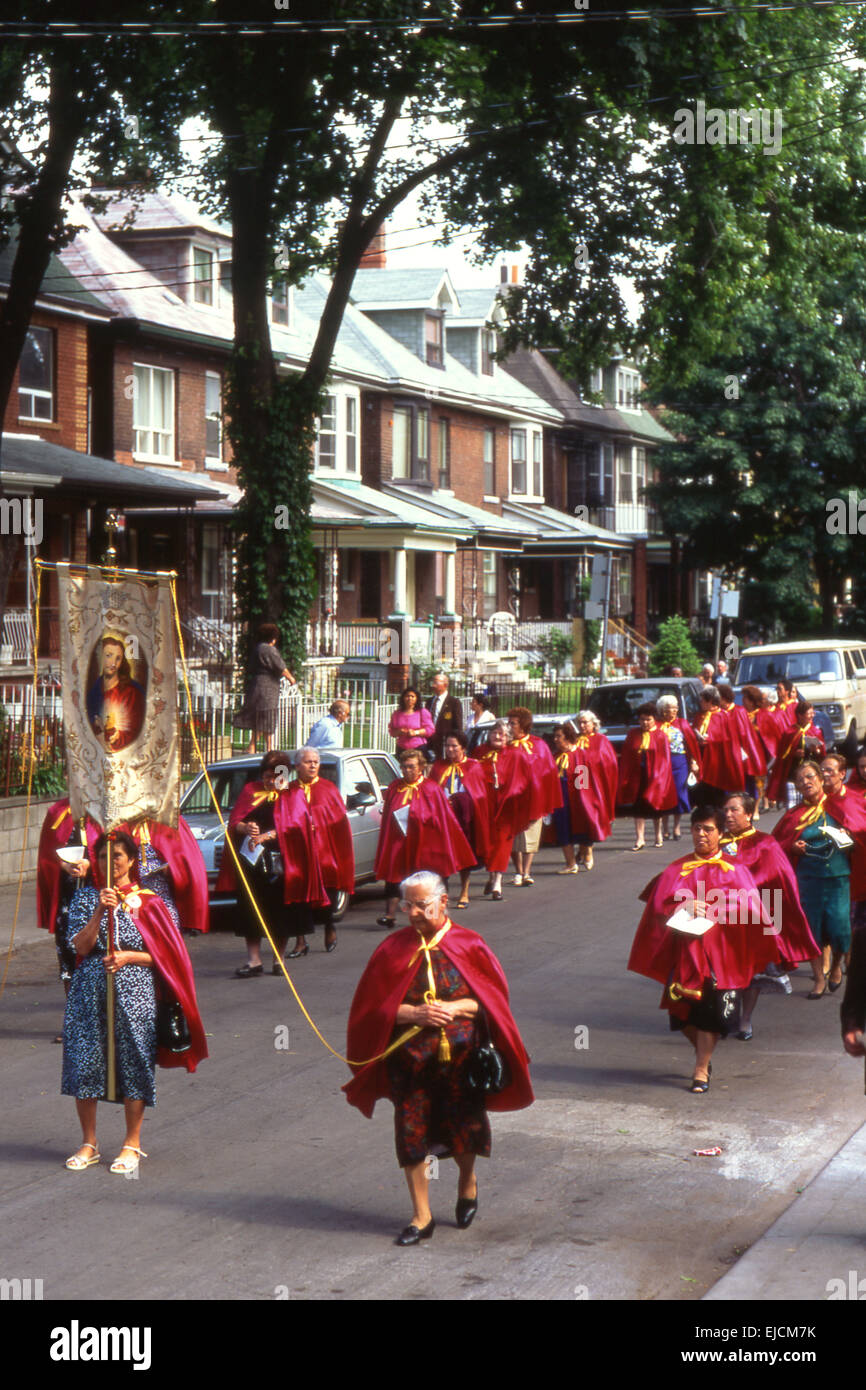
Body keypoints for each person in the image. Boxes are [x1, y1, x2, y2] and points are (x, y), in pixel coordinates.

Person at [343, 870, 533, 1244]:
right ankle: (421, 1215)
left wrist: (458, 1006)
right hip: (410, 1062)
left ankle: (467, 1181)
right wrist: (413, 1014)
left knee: (464, 1128)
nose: (412, 912)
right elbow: (370, 1009)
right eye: (406, 904)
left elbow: (492, 1003)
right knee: (411, 1133)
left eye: (421, 905)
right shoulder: (390, 950)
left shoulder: (469, 944)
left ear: (443, 902)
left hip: (462, 1058)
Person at [62, 831, 207, 1174]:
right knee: (86, 1061)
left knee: (134, 1061)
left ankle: (132, 1142)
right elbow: (80, 948)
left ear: (130, 860)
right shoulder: (85, 899)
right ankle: (89, 1142)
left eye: (117, 857)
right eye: (102, 857)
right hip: (89, 990)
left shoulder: (151, 902)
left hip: (135, 992)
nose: (110, 863)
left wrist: (128, 956)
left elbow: (169, 957)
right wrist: (99, 911)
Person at [628, 806, 782, 1091]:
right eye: (697, 828)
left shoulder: (736, 870)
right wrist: (682, 905)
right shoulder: (676, 869)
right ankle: (703, 1056)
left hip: (722, 955)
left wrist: (718, 909)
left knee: (711, 1015)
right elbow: (658, 906)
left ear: (720, 833)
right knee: (680, 1015)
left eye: (708, 829)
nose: (701, 834)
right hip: (685, 954)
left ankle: (701, 1068)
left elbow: (752, 909)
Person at [720, 792, 823, 1035]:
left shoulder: (765, 843)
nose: (728, 815)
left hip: (756, 916)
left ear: (748, 814)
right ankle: (726, 1013)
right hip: (723, 916)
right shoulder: (719, 841)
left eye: (734, 810)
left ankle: (746, 1019)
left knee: (753, 972)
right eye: (725, 810)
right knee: (723, 968)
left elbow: (779, 878)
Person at [772, 762, 853, 998]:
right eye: (800, 780)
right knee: (813, 930)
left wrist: (848, 836)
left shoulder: (838, 806)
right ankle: (818, 979)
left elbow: (858, 828)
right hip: (809, 879)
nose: (805, 782)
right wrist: (792, 847)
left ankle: (836, 966)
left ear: (820, 778)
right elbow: (775, 846)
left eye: (809, 777)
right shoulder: (793, 815)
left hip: (838, 876)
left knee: (840, 929)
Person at [216, 750, 299, 975]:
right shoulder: (249, 791)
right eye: (266, 776)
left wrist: (267, 835)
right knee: (251, 909)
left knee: (279, 911)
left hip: (280, 862)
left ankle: (278, 960)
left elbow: (294, 825)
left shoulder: (291, 794)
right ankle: (254, 960)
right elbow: (235, 821)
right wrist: (245, 828)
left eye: (275, 776)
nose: (270, 781)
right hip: (251, 861)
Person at [374, 749, 476, 928]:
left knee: (433, 878)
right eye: (404, 767)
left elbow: (441, 818)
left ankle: (435, 914)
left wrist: (417, 816)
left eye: (411, 767)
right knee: (394, 875)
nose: (407, 771)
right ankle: (390, 914)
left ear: (421, 767)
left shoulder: (431, 788)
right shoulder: (394, 787)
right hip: (401, 840)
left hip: (428, 841)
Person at [429, 732, 490, 909]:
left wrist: (460, 801)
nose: (449, 749)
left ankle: (464, 891)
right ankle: (442, 893)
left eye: (454, 746)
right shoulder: (439, 766)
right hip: (443, 817)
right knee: (442, 855)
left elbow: (479, 794)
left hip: (464, 817)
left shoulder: (473, 766)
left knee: (465, 853)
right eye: (447, 746)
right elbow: (432, 789)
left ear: (463, 747)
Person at [474, 720, 530, 901]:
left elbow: (524, 779)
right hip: (484, 804)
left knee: (502, 842)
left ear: (508, 738)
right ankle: (491, 876)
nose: (498, 737)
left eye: (502, 734)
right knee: (488, 841)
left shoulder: (515, 754)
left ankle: (497, 882)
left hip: (506, 805)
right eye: (495, 733)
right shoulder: (479, 752)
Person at [506, 706, 561, 885]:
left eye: (512, 723)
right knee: (513, 837)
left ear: (523, 725)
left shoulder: (538, 745)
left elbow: (548, 770)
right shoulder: (505, 746)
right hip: (513, 798)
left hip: (533, 797)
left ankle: (527, 872)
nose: (509, 726)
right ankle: (518, 871)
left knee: (531, 835)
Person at [618, 702, 676, 850]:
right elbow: (626, 755)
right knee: (638, 808)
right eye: (642, 719)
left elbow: (665, 760)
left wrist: (659, 778)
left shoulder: (660, 735)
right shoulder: (633, 734)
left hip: (655, 777)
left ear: (654, 719)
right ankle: (640, 838)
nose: (645, 722)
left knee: (655, 807)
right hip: (637, 776)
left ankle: (658, 835)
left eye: (648, 719)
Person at [235, 623, 297, 755]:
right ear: (273, 638)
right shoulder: (268, 649)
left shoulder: (258, 648)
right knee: (265, 716)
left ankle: (269, 748)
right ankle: (252, 747)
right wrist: (291, 678)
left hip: (259, 684)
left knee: (267, 717)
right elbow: (280, 666)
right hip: (266, 687)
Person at [568, 710, 618, 870]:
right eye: (580, 723)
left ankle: (587, 850)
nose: (582, 726)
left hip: (595, 784)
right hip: (578, 781)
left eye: (585, 722)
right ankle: (583, 849)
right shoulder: (574, 740)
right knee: (579, 815)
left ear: (593, 724)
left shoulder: (601, 740)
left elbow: (609, 763)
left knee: (591, 815)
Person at [86, 636, 146, 753]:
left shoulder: (132, 693)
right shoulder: (94, 691)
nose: (113, 663)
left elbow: (137, 732)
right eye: (109, 656)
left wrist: (118, 737)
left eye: (118, 658)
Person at [656, 695, 701, 841]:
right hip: (663, 763)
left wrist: (693, 761)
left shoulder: (682, 723)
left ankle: (676, 827)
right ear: (663, 710)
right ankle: (665, 828)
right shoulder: (656, 725)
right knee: (664, 794)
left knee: (679, 793)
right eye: (671, 708)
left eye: (676, 707)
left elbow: (691, 744)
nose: (674, 710)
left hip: (679, 761)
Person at [766, 700, 825, 808]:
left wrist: (816, 751)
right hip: (793, 777)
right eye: (809, 713)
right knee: (793, 807)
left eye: (813, 713)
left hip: (811, 775)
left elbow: (822, 755)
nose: (812, 716)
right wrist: (793, 754)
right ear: (800, 715)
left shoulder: (816, 732)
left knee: (812, 805)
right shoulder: (789, 733)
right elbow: (782, 757)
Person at [692, 685, 744, 804]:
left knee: (717, 794)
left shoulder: (723, 716)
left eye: (703, 700)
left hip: (718, 759)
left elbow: (728, 738)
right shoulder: (700, 716)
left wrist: (710, 740)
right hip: (702, 756)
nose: (700, 703)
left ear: (710, 701)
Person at [550, 722, 580, 873]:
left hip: (574, 799)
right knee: (562, 829)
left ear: (568, 737)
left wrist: (582, 801)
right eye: (554, 736)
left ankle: (585, 854)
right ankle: (571, 863)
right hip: (559, 799)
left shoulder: (578, 755)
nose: (555, 739)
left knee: (579, 827)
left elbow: (584, 781)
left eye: (559, 736)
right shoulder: (554, 756)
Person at [426, 673, 463, 759]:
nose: (433, 685)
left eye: (436, 683)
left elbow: (458, 725)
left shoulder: (454, 702)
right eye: (433, 683)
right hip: (430, 741)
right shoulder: (429, 701)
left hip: (445, 742)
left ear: (445, 685)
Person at [388, 688, 435, 755]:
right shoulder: (397, 714)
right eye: (407, 696)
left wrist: (415, 732)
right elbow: (392, 731)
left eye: (412, 696)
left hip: (418, 748)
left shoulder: (422, 712)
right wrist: (399, 732)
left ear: (417, 698)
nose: (410, 698)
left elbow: (430, 729)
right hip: (401, 748)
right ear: (403, 698)